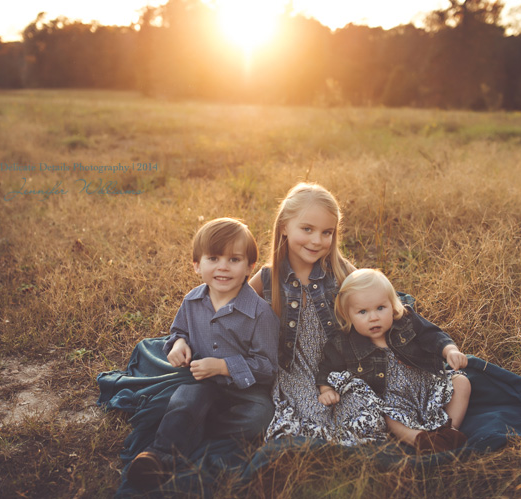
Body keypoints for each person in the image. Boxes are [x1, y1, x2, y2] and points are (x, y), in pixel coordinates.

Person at [127, 218, 280, 492]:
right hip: (201, 381)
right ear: (197, 265)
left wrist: (223, 366)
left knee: (260, 416)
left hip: (245, 390)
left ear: (249, 267)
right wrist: (177, 345)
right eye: (213, 258)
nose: (223, 266)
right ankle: (158, 456)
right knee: (185, 399)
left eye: (234, 259)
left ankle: (196, 428)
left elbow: (267, 366)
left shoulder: (260, 313)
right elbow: (178, 332)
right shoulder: (192, 301)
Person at [249, 183, 383, 445]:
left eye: (326, 232)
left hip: (339, 367)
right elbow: (230, 309)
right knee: (310, 425)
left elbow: (377, 298)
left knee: (366, 418)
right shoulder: (267, 278)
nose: (317, 240)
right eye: (307, 229)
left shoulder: (340, 271)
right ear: (285, 227)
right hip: (294, 371)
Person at [316, 269, 472, 453]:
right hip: (392, 402)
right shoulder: (344, 343)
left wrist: (450, 350)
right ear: (348, 315)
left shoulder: (406, 321)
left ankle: (449, 430)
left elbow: (432, 335)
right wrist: (326, 389)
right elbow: (327, 367)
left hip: (427, 386)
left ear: (392, 305)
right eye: (363, 312)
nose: (373, 317)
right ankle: (419, 440)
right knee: (388, 419)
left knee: (462, 382)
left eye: (380, 308)